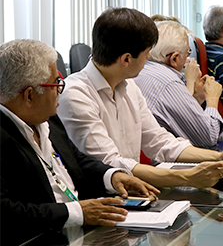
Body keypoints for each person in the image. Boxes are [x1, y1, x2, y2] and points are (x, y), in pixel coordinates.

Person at [57, 8, 223, 189]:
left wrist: (218, 156)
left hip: (133, 190)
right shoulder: (76, 94)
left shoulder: (129, 85)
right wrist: (187, 177)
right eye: (146, 52)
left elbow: (160, 141)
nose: (150, 57)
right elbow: (111, 163)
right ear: (126, 59)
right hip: (101, 198)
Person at [0, 39, 158, 244]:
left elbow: (76, 159)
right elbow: (6, 212)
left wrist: (111, 176)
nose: (59, 89)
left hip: (84, 230)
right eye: (55, 83)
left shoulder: (46, 118)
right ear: (29, 96)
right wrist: (76, 212)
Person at [134, 20, 223, 150]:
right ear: (174, 58)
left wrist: (195, 97)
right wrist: (212, 98)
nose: (189, 57)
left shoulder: (141, 71)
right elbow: (209, 138)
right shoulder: (168, 82)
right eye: (188, 52)